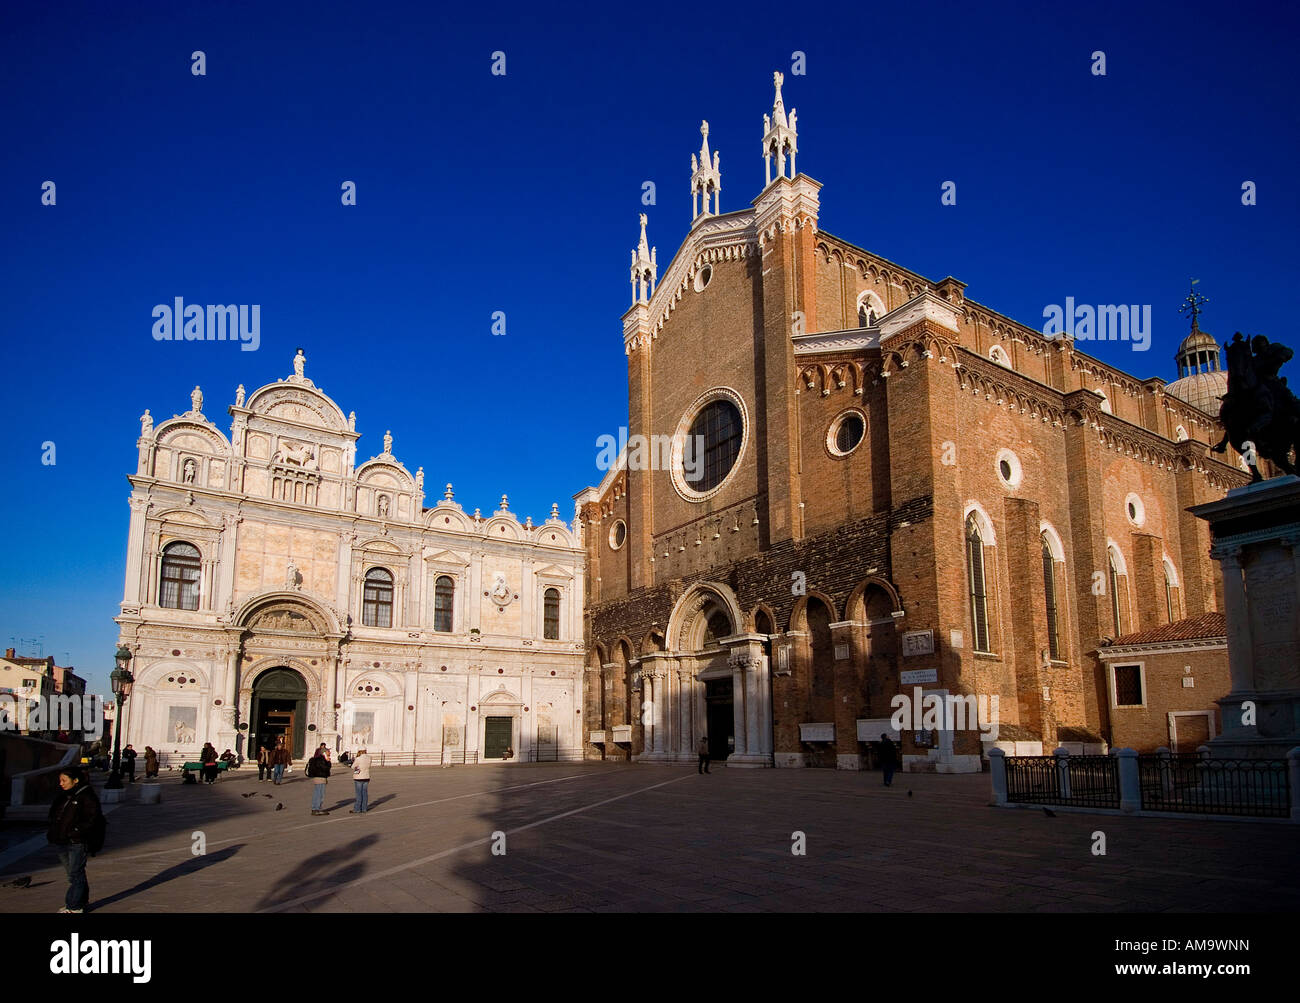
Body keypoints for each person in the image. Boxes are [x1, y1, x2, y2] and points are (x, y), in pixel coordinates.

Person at [46, 767, 104, 914]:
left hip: (77, 841)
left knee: (75, 873)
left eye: (64, 780)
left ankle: (74, 906)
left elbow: (92, 818)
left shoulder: (86, 796)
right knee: (74, 873)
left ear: (75, 780)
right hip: (61, 840)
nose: (61, 783)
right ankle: (81, 901)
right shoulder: (64, 796)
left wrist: (75, 832)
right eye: (60, 780)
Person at [307, 744, 331, 815]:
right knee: (320, 794)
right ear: (324, 753)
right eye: (327, 752)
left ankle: (315, 808)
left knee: (317, 793)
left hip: (318, 778)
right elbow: (325, 768)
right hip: (320, 778)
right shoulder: (321, 759)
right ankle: (317, 808)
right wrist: (328, 762)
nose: (329, 753)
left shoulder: (318, 759)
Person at [350, 747, 371, 814]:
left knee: (359, 794)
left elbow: (353, 766)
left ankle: (357, 808)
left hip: (359, 777)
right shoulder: (369, 758)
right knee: (364, 793)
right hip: (366, 776)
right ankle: (364, 808)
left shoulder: (358, 758)